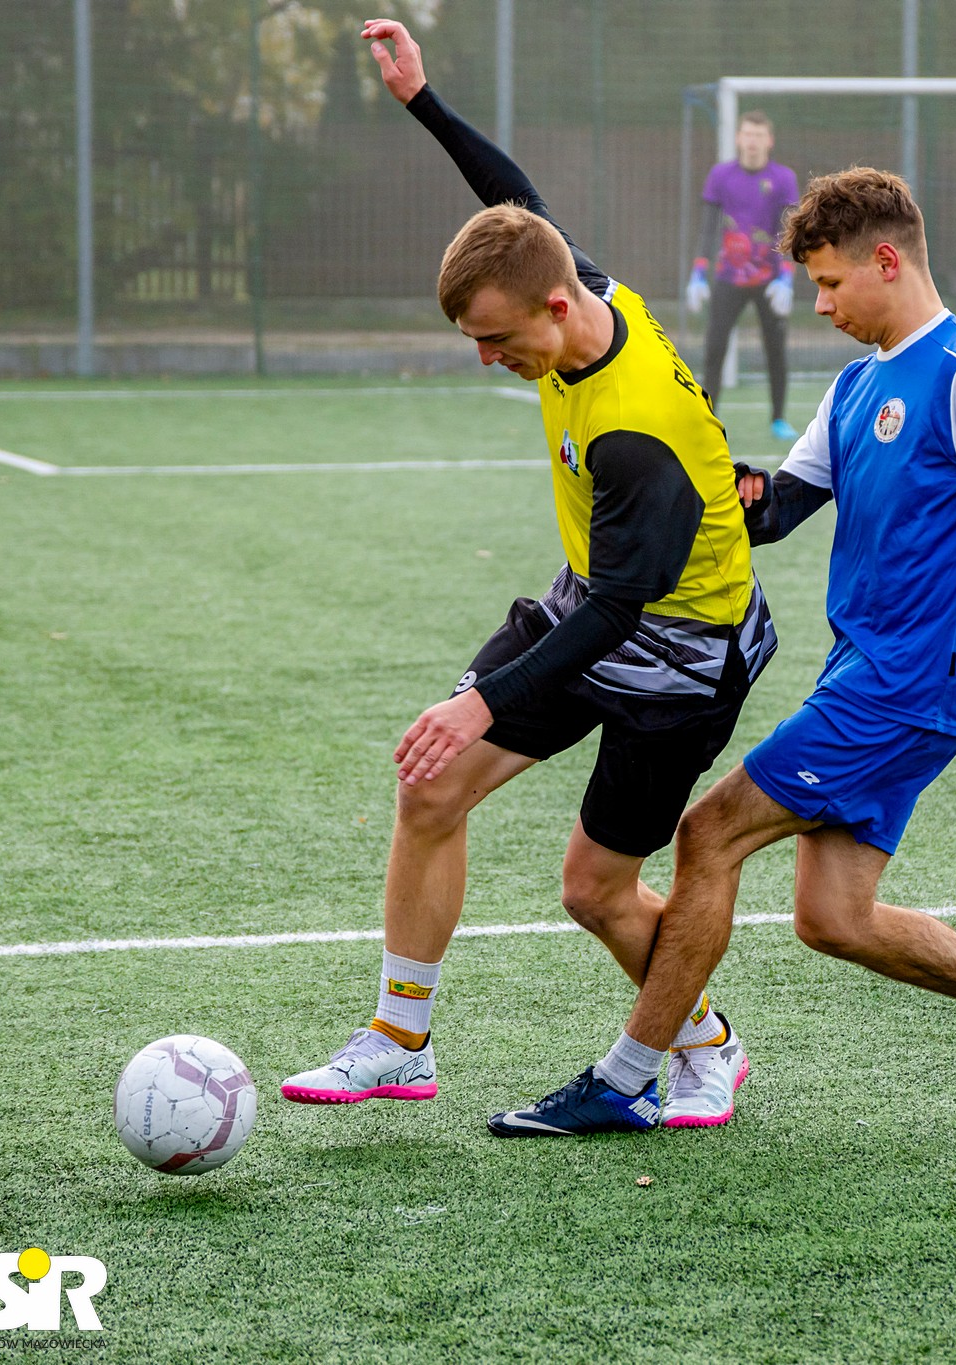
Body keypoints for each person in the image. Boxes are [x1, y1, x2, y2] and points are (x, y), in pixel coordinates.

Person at [487, 167, 956, 1139]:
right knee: (835, 919)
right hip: (862, 674)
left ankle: (627, 1077)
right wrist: (718, 484)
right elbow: (779, 508)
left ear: (884, 260)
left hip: (907, 687)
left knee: (708, 834)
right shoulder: (857, 383)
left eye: (827, 283)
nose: (819, 305)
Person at [278, 18, 770, 1129]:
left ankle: (706, 1044)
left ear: (555, 310)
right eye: (474, 341)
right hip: (592, 599)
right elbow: (514, 201)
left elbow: (623, 612)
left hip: (681, 654)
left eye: (497, 340)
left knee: (593, 890)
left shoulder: (635, 432)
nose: (488, 359)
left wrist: (483, 699)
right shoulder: (574, 287)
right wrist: (424, 102)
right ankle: (400, 1040)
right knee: (429, 788)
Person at [686, 111, 802, 438]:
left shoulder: (784, 178)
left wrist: (786, 278)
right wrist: (698, 273)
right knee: (714, 347)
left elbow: (789, 231)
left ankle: (778, 419)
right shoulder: (720, 175)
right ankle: (709, 417)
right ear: (738, 138)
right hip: (728, 278)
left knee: (775, 349)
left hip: (770, 281)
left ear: (770, 141)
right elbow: (708, 229)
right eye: (747, 135)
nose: (752, 142)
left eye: (759, 135)